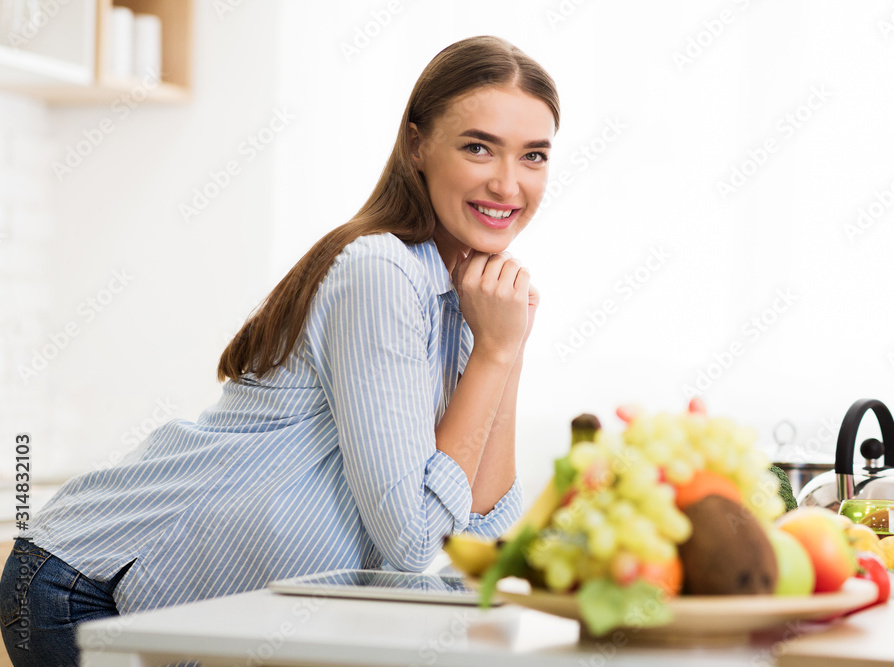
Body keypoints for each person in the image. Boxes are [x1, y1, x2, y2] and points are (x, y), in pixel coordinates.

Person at [0, 34, 559, 667]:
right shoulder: (382, 270)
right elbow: (411, 540)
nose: (508, 183)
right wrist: (493, 354)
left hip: (182, 609)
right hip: (85, 587)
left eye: (534, 155)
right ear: (416, 145)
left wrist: (503, 348)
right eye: (478, 147)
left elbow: (476, 534)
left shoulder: (467, 297)